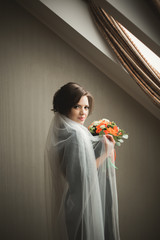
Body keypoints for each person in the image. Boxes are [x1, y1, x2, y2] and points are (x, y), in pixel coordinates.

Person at [44, 82, 120, 240]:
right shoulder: (76, 135)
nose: (83, 113)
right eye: (77, 107)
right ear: (66, 107)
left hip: (75, 200)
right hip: (84, 204)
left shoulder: (66, 132)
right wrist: (106, 152)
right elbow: (85, 175)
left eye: (86, 107)